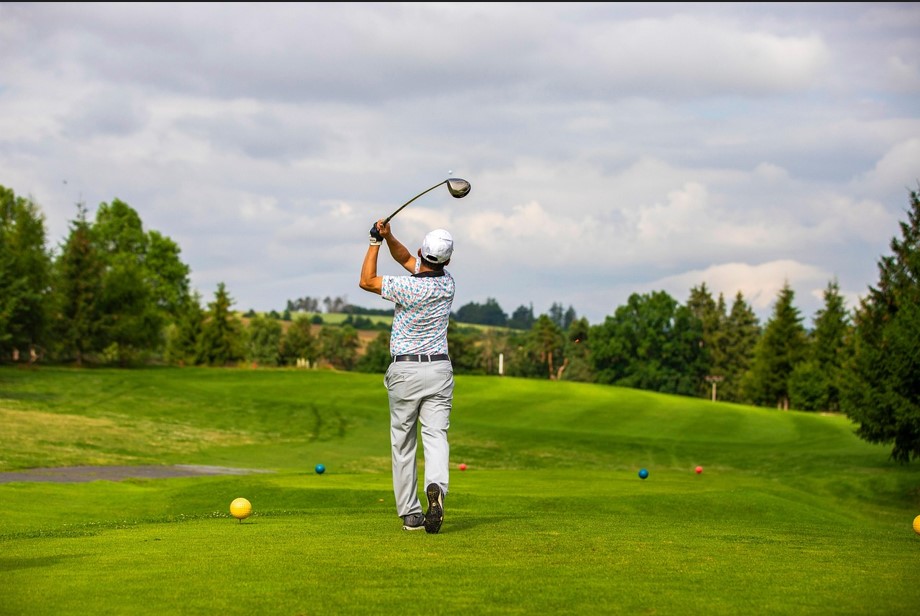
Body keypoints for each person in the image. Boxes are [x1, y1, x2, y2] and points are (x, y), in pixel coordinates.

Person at [359, 219, 455, 534]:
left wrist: (374, 242)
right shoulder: (448, 284)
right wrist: (388, 237)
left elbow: (367, 280)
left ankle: (412, 514)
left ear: (421, 252)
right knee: (436, 435)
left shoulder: (408, 286)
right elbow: (405, 260)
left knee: (403, 443)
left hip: (405, 371)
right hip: (439, 369)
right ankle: (437, 486)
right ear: (447, 260)